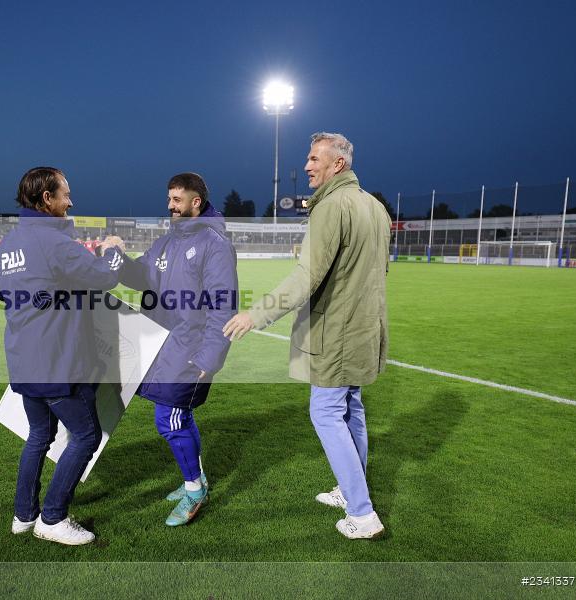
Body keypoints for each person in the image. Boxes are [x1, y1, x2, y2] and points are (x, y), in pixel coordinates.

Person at [222, 132, 391, 540]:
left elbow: (307, 276)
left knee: (326, 413)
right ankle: (352, 490)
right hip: (366, 328)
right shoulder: (375, 207)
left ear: (339, 164)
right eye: (308, 158)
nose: (309, 166)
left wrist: (256, 314)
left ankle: (362, 513)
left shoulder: (332, 207)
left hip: (336, 332)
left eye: (316, 159)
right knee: (352, 409)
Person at [0, 166, 124, 546]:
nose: (71, 200)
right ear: (47, 199)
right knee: (85, 435)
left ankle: (24, 515)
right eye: (65, 193)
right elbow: (105, 277)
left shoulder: (7, 245)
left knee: (38, 436)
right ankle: (53, 518)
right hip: (58, 361)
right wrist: (112, 251)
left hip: (23, 359)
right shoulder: (54, 242)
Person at [100, 172, 237, 527]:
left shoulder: (214, 243)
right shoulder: (165, 243)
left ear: (196, 202)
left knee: (170, 420)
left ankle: (195, 491)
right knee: (179, 417)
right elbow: (138, 276)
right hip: (163, 344)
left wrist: (212, 355)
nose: (170, 206)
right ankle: (197, 479)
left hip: (190, 348)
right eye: (169, 199)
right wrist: (117, 256)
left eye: (177, 200)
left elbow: (223, 304)